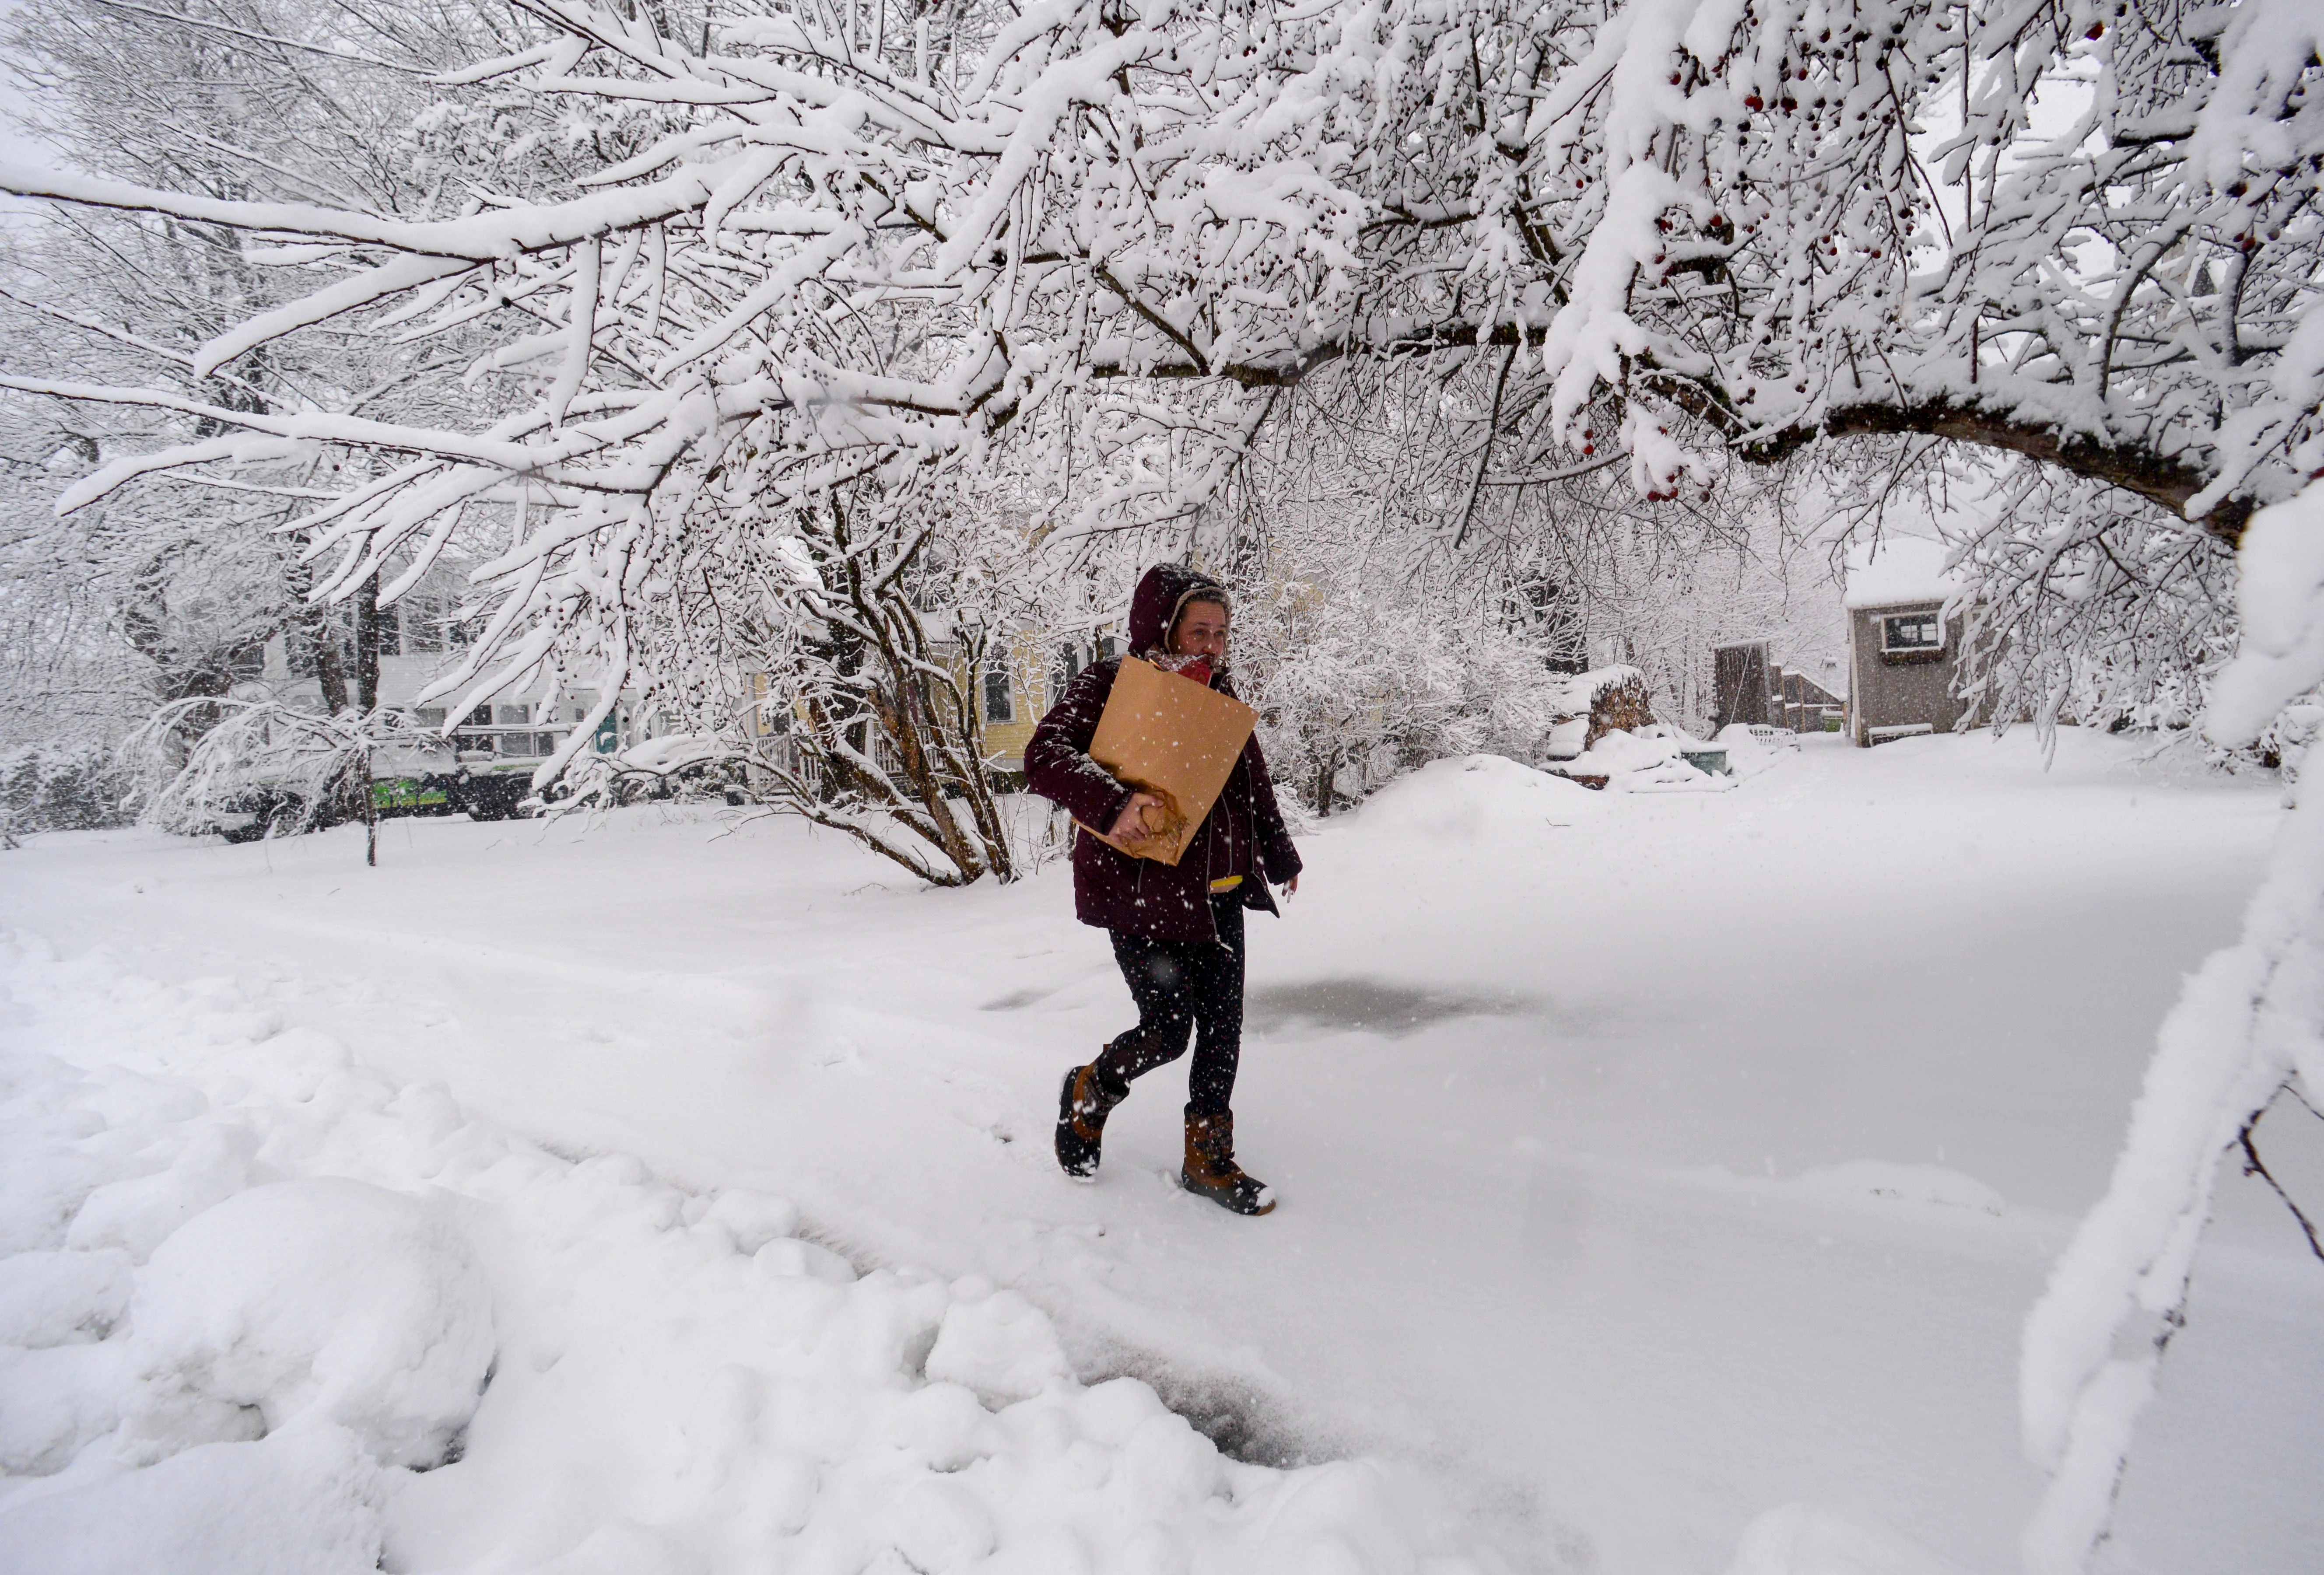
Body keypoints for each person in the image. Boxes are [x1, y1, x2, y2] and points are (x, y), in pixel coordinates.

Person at [1024, 564, 1303, 1216]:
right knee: (1168, 1030)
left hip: (1222, 893)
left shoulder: (1220, 695)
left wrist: (1280, 852)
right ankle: (1091, 1089)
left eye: (1221, 633)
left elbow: (1251, 785)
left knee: (1223, 1031)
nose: (1211, 644)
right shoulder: (1111, 685)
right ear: (1163, 626)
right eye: (1199, 630)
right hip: (1145, 892)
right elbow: (1043, 756)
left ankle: (1207, 1159)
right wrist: (1116, 800)